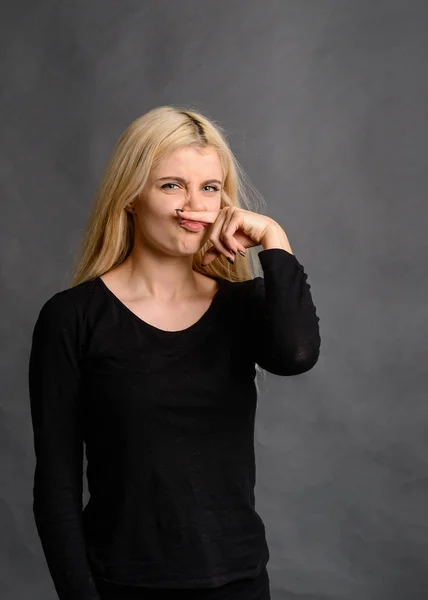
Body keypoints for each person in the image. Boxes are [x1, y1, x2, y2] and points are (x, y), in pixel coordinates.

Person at [28, 105, 321, 600]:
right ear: (129, 196)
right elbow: (55, 486)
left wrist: (274, 238)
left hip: (240, 582)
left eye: (209, 188)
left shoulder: (243, 306)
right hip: (123, 584)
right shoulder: (72, 318)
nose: (194, 206)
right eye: (171, 186)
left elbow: (296, 354)